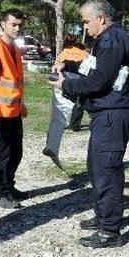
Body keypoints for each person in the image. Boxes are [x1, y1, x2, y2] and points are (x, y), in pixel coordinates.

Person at [48, 0, 129, 248]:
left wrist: (66, 83)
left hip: (113, 113)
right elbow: (94, 67)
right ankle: (102, 216)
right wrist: (72, 64)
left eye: (86, 22)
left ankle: (110, 231)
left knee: (106, 170)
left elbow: (98, 81)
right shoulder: (108, 39)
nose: (84, 27)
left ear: (101, 18)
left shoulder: (111, 40)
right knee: (96, 167)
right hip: (106, 113)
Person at [0, 9, 29, 209]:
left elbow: (14, 80)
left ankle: (9, 186)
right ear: (3, 24)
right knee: (2, 153)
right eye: (13, 24)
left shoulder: (14, 49)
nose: (17, 28)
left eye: (19, 25)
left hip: (13, 110)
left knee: (16, 151)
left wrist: (21, 103)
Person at [42, 32, 89, 169]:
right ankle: (74, 126)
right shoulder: (85, 53)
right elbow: (85, 68)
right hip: (79, 82)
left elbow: (59, 65)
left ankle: (51, 147)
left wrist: (62, 67)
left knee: (58, 117)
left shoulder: (64, 52)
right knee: (79, 106)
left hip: (63, 80)